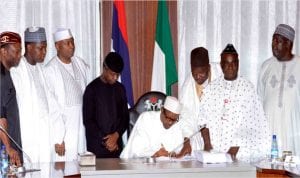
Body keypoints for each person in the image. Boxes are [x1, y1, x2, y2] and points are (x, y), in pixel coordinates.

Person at [199, 44, 270, 161]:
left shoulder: (247, 88)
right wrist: (207, 144)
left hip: (240, 153)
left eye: (233, 63)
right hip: (214, 153)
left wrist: (235, 148)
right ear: (221, 65)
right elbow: (203, 121)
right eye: (226, 63)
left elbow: (253, 123)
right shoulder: (211, 89)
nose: (230, 67)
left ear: (238, 63)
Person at [44, 28, 88, 161]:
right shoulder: (50, 70)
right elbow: (52, 107)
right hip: (64, 130)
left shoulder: (79, 63)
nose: (72, 46)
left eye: (72, 42)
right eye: (67, 43)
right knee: (64, 168)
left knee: (81, 167)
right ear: (57, 46)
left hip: (81, 126)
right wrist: (58, 137)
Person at [10, 27, 53, 163]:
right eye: (41, 48)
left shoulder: (41, 70)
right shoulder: (17, 70)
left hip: (45, 135)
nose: (44, 52)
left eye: (45, 48)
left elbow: (51, 103)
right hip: (28, 135)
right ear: (28, 47)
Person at [258, 24, 299, 156]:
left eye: (278, 41)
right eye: (273, 40)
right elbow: (258, 99)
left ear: (288, 44)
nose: (274, 44)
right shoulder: (266, 66)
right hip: (268, 130)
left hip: (293, 130)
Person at [83, 52, 129, 158]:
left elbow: (125, 117)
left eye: (118, 75)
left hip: (116, 146)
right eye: (112, 74)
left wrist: (116, 135)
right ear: (104, 68)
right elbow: (88, 121)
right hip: (97, 147)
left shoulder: (120, 89)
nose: (115, 78)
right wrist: (107, 141)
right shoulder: (91, 89)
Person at [179, 47, 221, 156]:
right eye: (194, 73)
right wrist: (187, 142)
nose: (198, 77)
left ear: (208, 67)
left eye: (201, 73)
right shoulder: (187, 87)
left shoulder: (222, 74)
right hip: (201, 137)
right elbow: (185, 118)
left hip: (224, 135)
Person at [120, 96, 185, 158]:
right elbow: (137, 149)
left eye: (173, 120)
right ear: (162, 110)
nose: (170, 122)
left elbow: (179, 147)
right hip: (143, 164)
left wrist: (174, 153)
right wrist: (156, 153)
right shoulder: (146, 118)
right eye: (168, 118)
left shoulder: (177, 123)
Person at [0, 31, 22, 166]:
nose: (19, 55)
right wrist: (8, 147)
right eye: (16, 51)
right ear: (3, 51)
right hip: (4, 151)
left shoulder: (6, 73)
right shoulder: (1, 78)